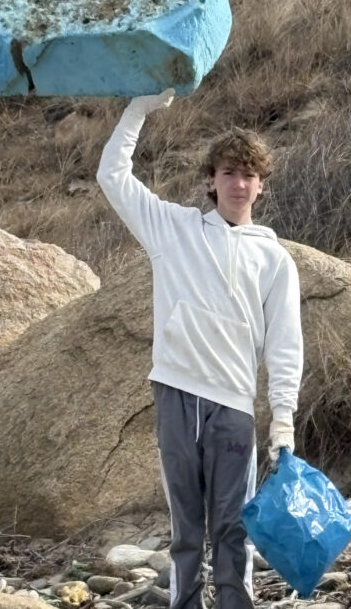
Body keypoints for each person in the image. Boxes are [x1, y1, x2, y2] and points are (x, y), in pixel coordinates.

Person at [96, 89, 304, 609]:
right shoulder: (173, 228)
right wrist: (136, 111)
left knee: (233, 528)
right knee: (187, 529)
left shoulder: (275, 260)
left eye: (249, 174)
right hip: (176, 392)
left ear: (262, 185)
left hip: (233, 406)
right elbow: (112, 177)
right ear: (210, 181)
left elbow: (284, 343)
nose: (239, 183)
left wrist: (283, 419)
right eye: (229, 172)